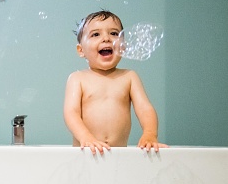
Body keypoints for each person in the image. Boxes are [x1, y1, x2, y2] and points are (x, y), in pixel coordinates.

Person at [63, 10, 168, 155]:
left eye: (114, 33)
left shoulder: (129, 77)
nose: (106, 38)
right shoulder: (78, 78)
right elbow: (71, 113)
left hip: (118, 156)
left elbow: (145, 108)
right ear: (81, 50)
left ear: (123, 47)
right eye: (96, 34)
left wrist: (150, 133)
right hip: (86, 154)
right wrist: (85, 137)